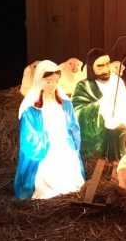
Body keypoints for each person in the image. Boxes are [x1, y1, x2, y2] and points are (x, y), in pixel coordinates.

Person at [14, 60, 85, 199]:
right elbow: (29, 135)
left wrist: (72, 140)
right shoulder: (31, 108)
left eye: (55, 81)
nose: (52, 85)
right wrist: (45, 139)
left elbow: (73, 126)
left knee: (69, 171)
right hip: (45, 146)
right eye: (48, 81)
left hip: (64, 144)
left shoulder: (65, 103)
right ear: (39, 81)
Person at [72, 48, 126, 161]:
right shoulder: (84, 86)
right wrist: (100, 107)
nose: (106, 68)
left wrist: (121, 122)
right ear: (91, 68)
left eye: (107, 64)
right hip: (97, 140)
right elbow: (77, 112)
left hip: (119, 135)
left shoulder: (117, 81)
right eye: (100, 66)